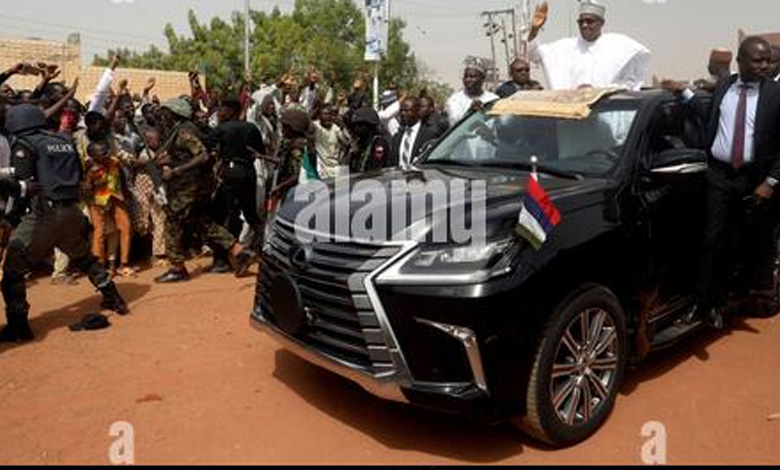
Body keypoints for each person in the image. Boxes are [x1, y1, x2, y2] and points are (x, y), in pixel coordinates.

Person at [662, 36, 780, 328]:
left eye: (768, 60)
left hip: (754, 179)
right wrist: (685, 92)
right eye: (758, 60)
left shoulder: (776, 94)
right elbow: (710, 114)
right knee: (711, 241)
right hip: (719, 174)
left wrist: (770, 182)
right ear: (740, 61)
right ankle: (704, 304)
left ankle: (736, 296)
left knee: (748, 244)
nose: (766, 66)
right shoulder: (725, 87)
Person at [1, 104, 128, 342]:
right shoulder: (64, 140)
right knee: (84, 258)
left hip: (44, 214)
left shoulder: (25, 144)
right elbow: (78, 175)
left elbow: (24, 187)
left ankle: (19, 327)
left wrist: (12, 218)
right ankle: (113, 297)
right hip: (72, 211)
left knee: (12, 268)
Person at [153, 98, 250, 283]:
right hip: (196, 186)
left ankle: (177, 268)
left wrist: (175, 170)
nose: (162, 117)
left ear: (174, 114)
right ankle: (239, 251)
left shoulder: (184, 132)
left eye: (165, 114)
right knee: (201, 222)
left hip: (189, 187)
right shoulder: (182, 130)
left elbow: (202, 156)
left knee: (173, 220)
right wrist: (169, 162)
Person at [528, 1, 651, 91]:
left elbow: (630, 81)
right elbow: (534, 55)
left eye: (589, 21)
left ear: (601, 23)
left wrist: (597, 91)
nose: (584, 25)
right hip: (570, 115)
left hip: (604, 113)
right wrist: (534, 30)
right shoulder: (565, 46)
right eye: (581, 22)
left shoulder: (619, 44)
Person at [211, 98, 268, 276]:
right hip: (249, 172)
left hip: (230, 173)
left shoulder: (222, 129)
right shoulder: (251, 128)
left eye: (221, 110)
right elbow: (260, 152)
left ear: (230, 111)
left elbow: (206, 146)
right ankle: (264, 249)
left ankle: (231, 256)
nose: (218, 114)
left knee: (220, 215)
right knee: (250, 214)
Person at [445, 58, 499, 127]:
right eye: (466, 76)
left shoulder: (493, 99)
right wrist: (470, 112)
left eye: (472, 76)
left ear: (482, 78)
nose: (468, 80)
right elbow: (454, 124)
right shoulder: (455, 100)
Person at [390, 97, 438, 170]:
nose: (402, 114)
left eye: (406, 110)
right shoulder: (397, 137)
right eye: (401, 110)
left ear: (418, 111)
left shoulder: (429, 135)